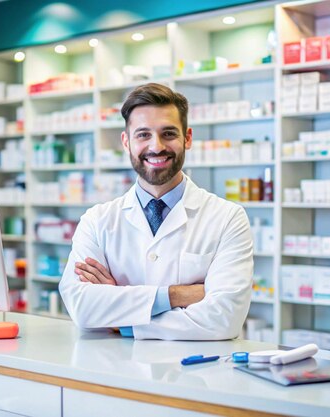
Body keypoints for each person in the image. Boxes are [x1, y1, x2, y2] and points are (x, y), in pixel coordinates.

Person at [59, 83, 254, 340]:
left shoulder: (228, 218)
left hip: (199, 374)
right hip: (113, 369)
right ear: (126, 142)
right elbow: (82, 308)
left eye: (169, 134)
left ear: (187, 138)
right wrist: (180, 294)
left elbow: (224, 318)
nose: (156, 146)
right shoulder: (97, 220)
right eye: (143, 135)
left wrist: (124, 320)